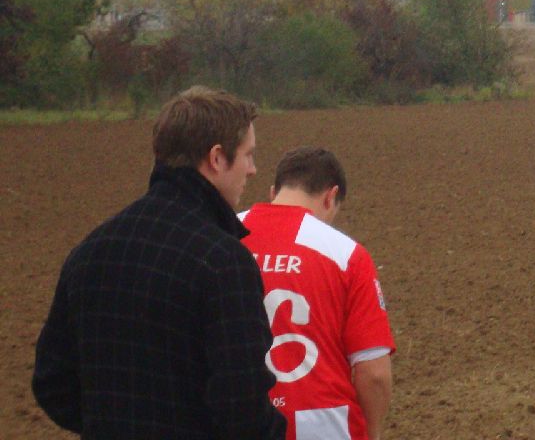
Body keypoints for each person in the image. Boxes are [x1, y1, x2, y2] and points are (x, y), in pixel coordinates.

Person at [33, 86, 285, 440]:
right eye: (248, 155)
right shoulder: (222, 260)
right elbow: (242, 407)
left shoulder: (89, 252)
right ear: (216, 158)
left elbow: (52, 382)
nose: (254, 170)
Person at [240, 147, 395, 440]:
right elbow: (374, 373)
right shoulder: (347, 255)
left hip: (234, 420)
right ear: (330, 196)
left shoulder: (219, 235)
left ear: (274, 191)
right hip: (323, 426)